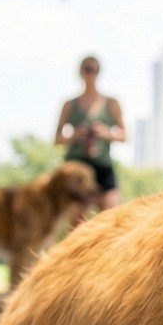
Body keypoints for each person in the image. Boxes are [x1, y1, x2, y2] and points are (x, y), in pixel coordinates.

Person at [55, 56, 126, 220]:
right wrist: (74, 135)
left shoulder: (111, 103)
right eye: (87, 69)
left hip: (102, 166)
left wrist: (105, 133)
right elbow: (57, 139)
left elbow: (124, 135)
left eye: (94, 70)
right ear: (80, 72)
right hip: (76, 168)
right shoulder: (69, 105)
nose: (91, 74)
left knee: (112, 218)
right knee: (77, 223)